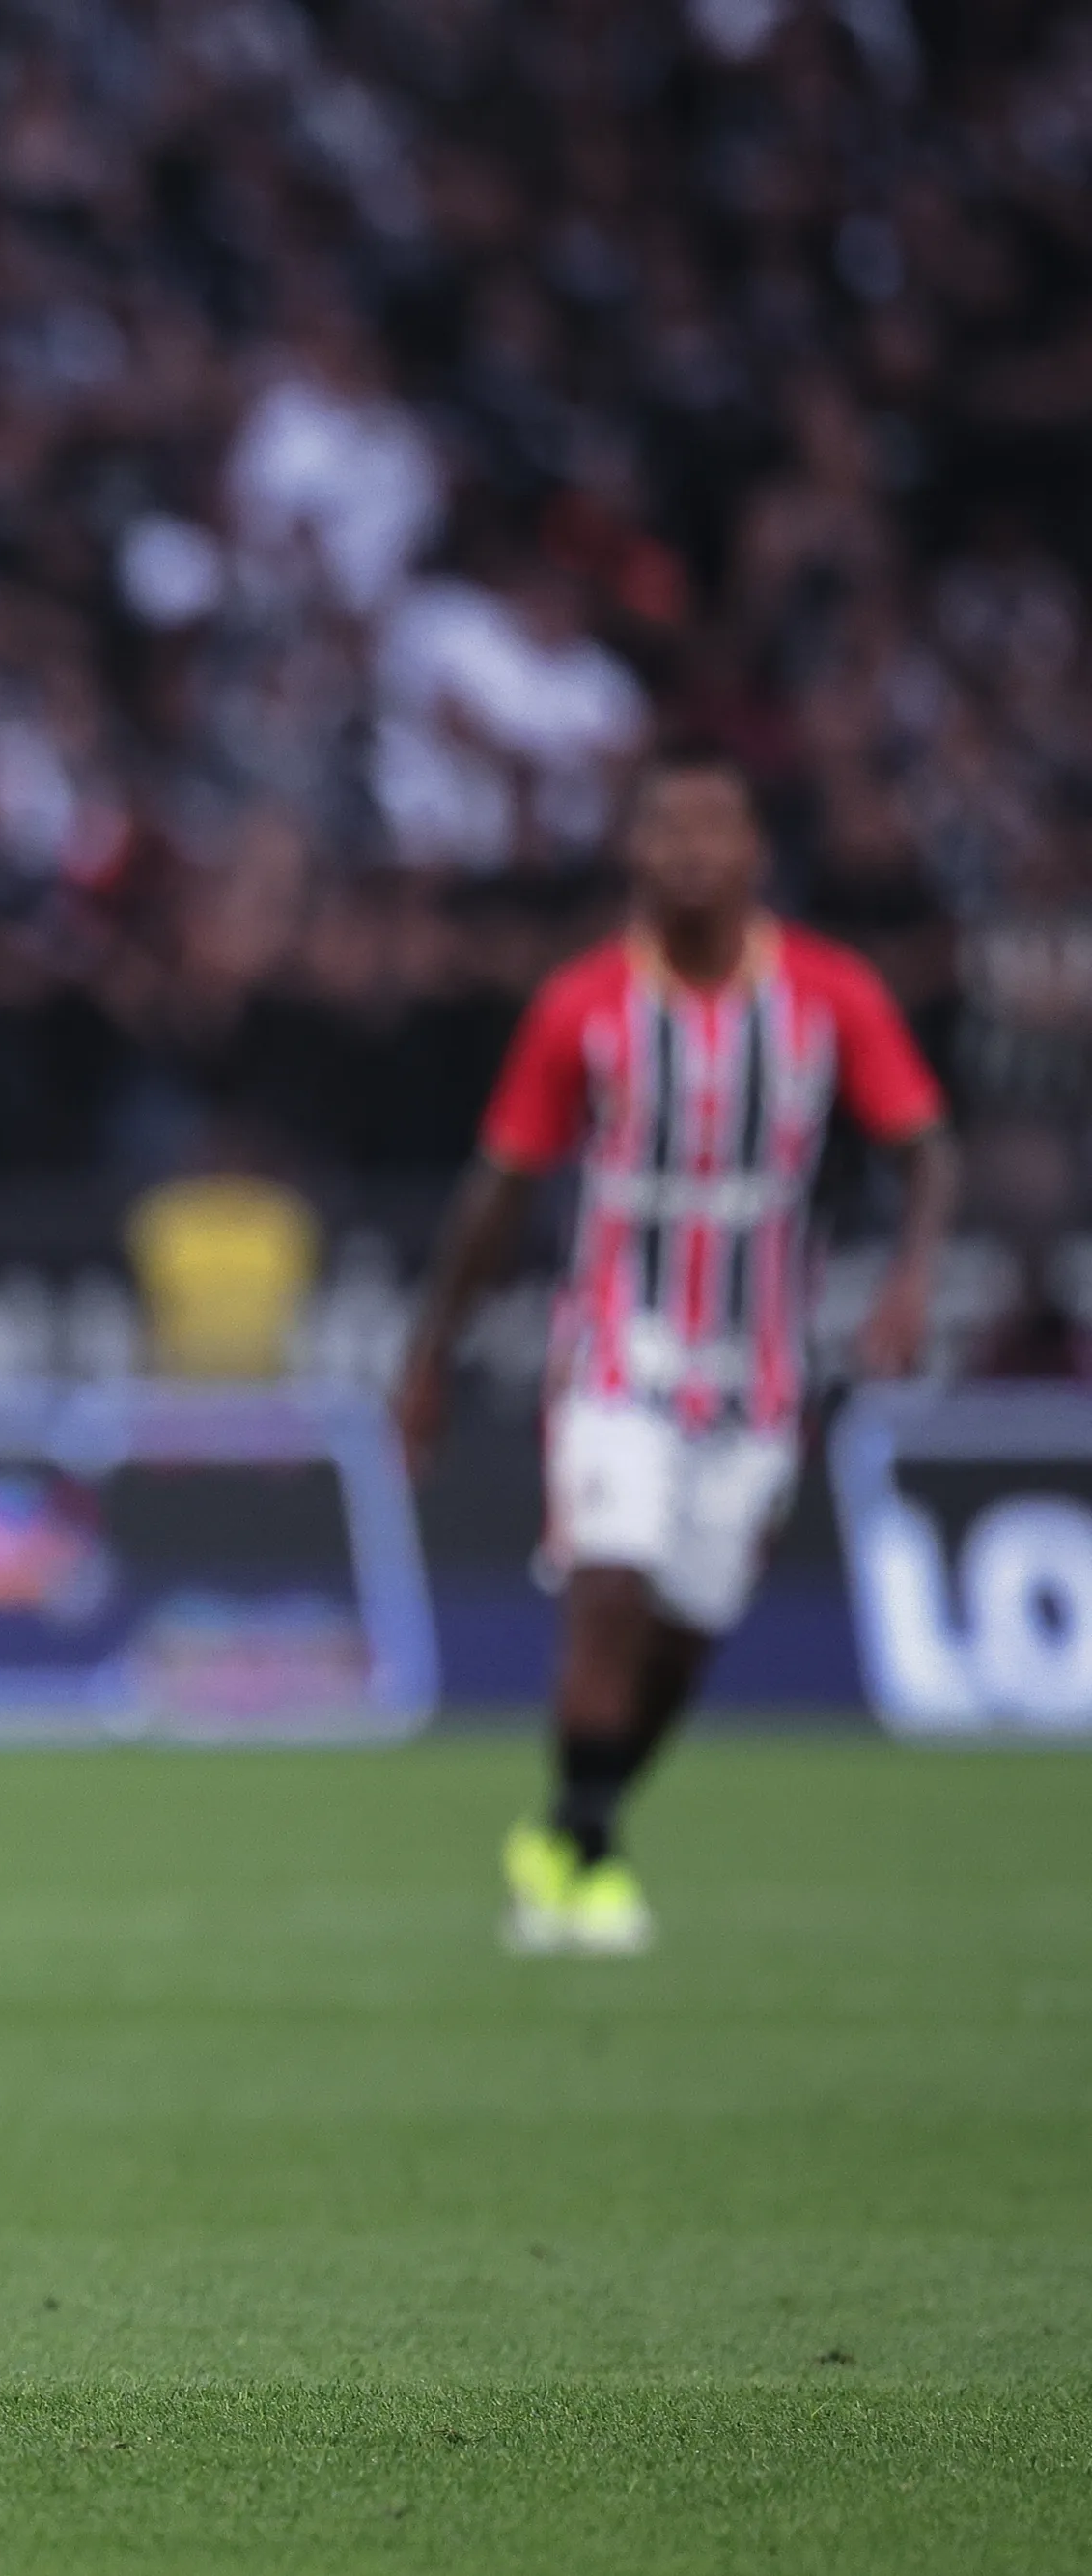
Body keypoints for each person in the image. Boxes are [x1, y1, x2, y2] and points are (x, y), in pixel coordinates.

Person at [395, 751, 953, 1956]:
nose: (690, 853)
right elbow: (497, 1192)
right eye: (667, 831)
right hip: (617, 1350)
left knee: (687, 1632)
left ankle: (564, 1825)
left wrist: (911, 1281)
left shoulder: (828, 996)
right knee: (611, 1581)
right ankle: (593, 1869)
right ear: (633, 853)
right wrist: (425, 1355)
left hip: (759, 1370)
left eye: (715, 829)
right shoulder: (582, 1007)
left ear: (757, 853)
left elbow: (923, 1148)